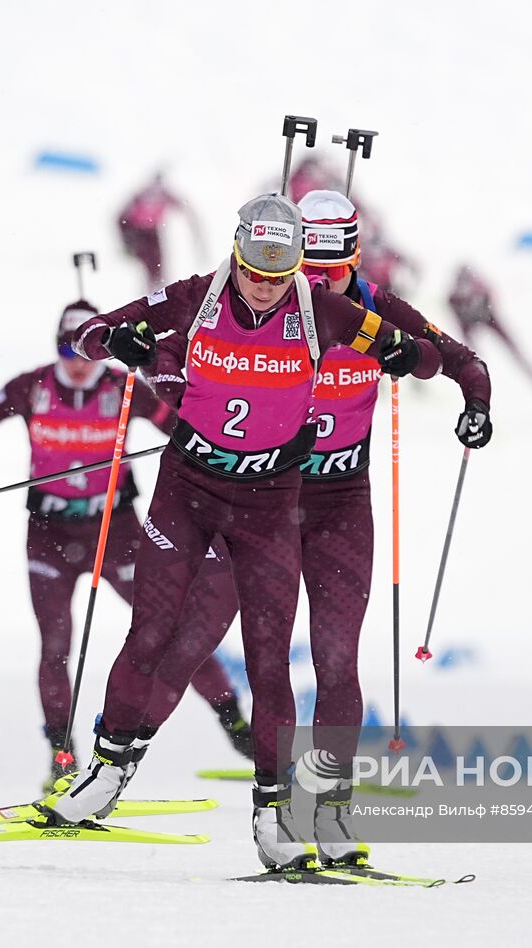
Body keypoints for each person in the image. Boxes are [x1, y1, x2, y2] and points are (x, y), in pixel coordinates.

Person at [45, 192, 442, 870]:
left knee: (267, 661)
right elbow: (87, 335)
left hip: (269, 503)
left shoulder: (324, 311)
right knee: (151, 631)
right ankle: (106, 772)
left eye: (276, 272)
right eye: (252, 270)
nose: (262, 286)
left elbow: (422, 356)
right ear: (235, 256)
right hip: (188, 491)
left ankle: (274, 814)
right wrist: (119, 340)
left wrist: (407, 354)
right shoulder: (195, 296)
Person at [131, 189, 492, 867]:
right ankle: (106, 768)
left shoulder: (374, 312)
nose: (312, 283)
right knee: (185, 639)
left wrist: (476, 407)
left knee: (334, 662)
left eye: (328, 270)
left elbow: (462, 361)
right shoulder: (268, 302)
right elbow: (180, 360)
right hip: (255, 496)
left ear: (353, 258)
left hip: (335, 505)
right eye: (305, 267)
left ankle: (329, 812)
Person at [0, 300, 252, 786]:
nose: (76, 362)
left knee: (168, 632)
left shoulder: (124, 385)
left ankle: (236, 723)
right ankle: (61, 756)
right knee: (55, 645)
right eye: (66, 349)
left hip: (116, 532)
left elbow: (181, 427)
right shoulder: (32, 386)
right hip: (49, 533)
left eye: (85, 350)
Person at [448, 263, 532, 420]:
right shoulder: (453, 298)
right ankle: (476, 404)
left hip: (489, 318)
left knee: (517, 355)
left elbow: (492, 301)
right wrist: (472, 347)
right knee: (472, 363)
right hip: (473, 321)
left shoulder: (480, 288)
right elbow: (461, 326)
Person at [116, 172, 202, 291]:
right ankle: (153, 292)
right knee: (151, 264)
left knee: (157, 264)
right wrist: (127, 241)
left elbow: (184, 207)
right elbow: (121, 218)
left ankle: (158, 290)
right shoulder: (141, 195)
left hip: (151, 232)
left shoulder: (163, 194)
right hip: (138, 233)